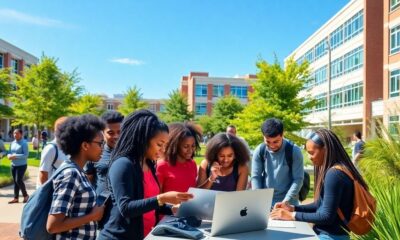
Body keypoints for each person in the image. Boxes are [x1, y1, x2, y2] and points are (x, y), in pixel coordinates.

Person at [98, 110, 193, 240]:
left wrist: (172, 209)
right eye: (159, 144)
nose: (163, 149)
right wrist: (162, 198)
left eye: (165, 145)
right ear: (142, 139)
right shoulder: (123, 164)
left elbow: (148, 204)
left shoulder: (148, 164)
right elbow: (126, 208)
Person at [271, 129, 369, 240]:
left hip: (330, 236)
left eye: (312, 153)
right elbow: (320, 205)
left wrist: (291, 216)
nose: (309, 157)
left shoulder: (334, 174)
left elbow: (326, 216)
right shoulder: (337, 170)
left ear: (325, 150)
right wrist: (292, 208)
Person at [46, 114, 105, 239]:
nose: (102, 149)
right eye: (100, 143)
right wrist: (92, 217)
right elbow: (53, 226)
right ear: (85, 145)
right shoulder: (71, 174)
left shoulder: (78, 171)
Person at [251, 118, 304, 206]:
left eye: (276, 142)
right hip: (265, 203)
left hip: (288, 203)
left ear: (283, 134)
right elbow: (256, 177)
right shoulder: (260, 150)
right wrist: (258, 198)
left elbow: (298, 179)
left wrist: (286, 201)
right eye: (268, 141)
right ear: (263, 136)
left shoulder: (294, 151)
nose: (272, 145)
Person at [85, 111, 124, 196]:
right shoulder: (94, 152)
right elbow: (88, 182)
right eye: (111, 133)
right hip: (100, 205)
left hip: (122, 206)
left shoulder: (130, 153)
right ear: (102, 132)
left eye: (119, 132)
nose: (116, 136)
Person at [156, 122, 202, 193]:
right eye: (186, 146)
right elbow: (157, 197)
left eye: (193, 146)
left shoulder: (192, 164)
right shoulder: (161, 166)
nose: (190, 150)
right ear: (175, 146)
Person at [36, 117, 69, 189]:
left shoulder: (66, 148)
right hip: (51, 193)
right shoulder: (51, 148)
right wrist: (47, 195)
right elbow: (43, 174)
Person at [7, 129, 29, 204]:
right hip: (13, 165)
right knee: (15, 182)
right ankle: (16, 198)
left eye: (17, 133)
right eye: (14, 133)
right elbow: (9, 152)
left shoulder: (24, 143)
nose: (15, 135)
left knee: (18, 180)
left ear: (21, 134)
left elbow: (26, 155)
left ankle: (26, 196)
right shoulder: (12, 143)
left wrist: (15, 156)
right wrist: (9, 156)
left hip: (22, 165)